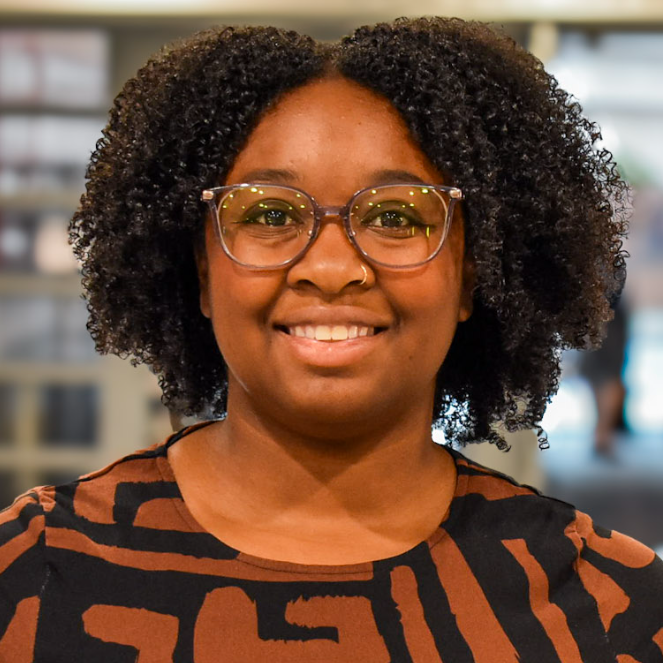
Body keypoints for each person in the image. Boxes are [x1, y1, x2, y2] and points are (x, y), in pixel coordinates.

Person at [1, 17, 662, 662]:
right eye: (269, 213)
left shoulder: (614, 608)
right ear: (202, 271)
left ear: (470, 275)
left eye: (396, 216)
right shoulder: (30, 571)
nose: (330, 267)